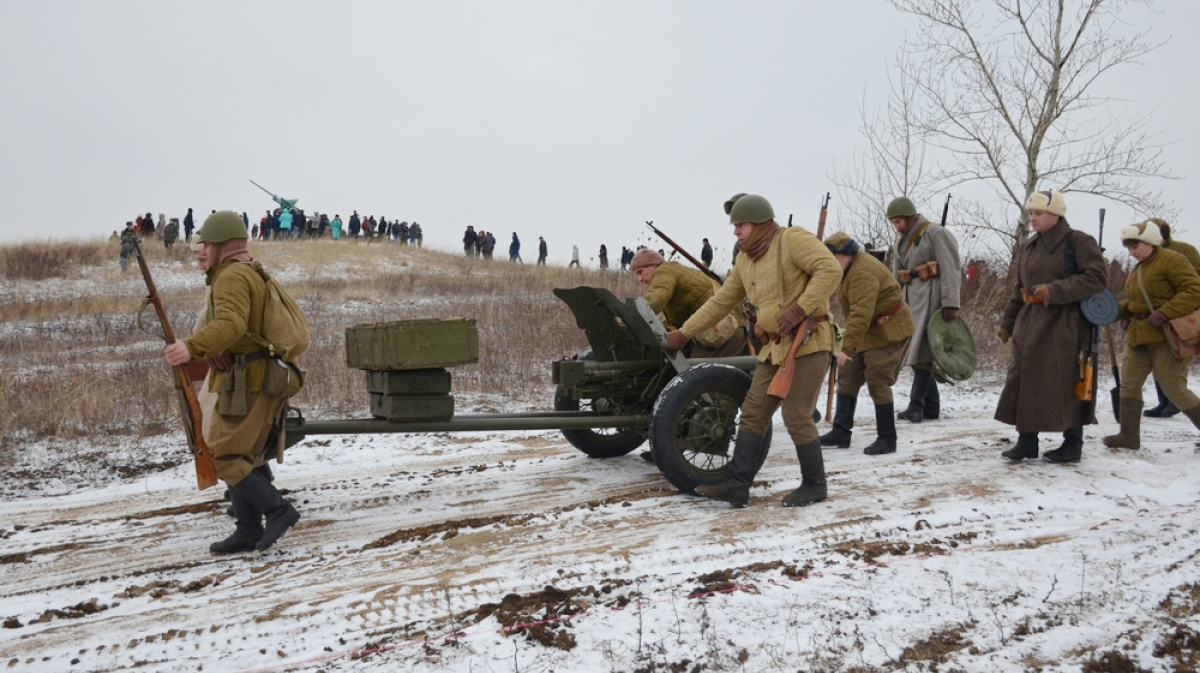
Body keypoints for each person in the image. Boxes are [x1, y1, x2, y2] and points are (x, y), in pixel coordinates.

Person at [665, 194, 840, 508]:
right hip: (774, 349)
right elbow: (720, 302)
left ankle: (815, 485)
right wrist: (683, 333)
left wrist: (800, 309)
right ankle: (737, 485)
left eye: (741, 225)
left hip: (810, 341)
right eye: (734, 226)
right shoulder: (744, 261)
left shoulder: (792, 240)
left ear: (760, 223)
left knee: (797, 414)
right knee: (753, 413)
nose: (735, 231)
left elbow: (830, 270)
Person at [162, 211, 301, 554]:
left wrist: (190, 348)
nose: (199, 251)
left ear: (223, 245)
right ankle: (248, 529)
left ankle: (279, 511)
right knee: (243, 455)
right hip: (247, 375)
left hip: (250, 378)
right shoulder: (243, 271)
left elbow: (231, 323)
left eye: (205, 245)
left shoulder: (232, 277)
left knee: (222, 455)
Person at [993, 190, 1108, 463]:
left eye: (1038, 213)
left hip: (1065, 323)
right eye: (1030, 213)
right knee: (1023, 379)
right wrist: (1008, 322)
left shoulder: (1078, 241)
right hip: (1029, 322)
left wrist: (1054, 291)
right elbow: (1018, 289)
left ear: (1055, 214)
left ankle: (1072, 444)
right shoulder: (1029, 247)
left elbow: (1096, 278)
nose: (1032, 218)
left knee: (1067, 380)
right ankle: (1027, 441)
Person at [1103, 220, 1200, 449]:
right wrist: (1113, 311)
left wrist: (1166, 312)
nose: (1132, 252)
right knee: (1129, 384)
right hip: (1139, 336)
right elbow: (1137, 303)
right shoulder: (1138, 269)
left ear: (1150, 242)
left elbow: (1194, 290)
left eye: (1135, 246)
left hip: (1166, 336)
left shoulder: (1172, 260)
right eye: (1128, 248)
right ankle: (1128, 436)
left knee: (1174, 387)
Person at [819, 232, 915, 455]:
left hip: (890, 330)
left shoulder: (862, 273)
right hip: (869, 329)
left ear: (846, 255)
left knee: (877, 380)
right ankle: (841, 432)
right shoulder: (847, 269)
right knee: (848, 376)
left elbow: (860, 315)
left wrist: (844, 349)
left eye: (831, 256)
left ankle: (887, 439)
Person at [888, 196, 962, 423]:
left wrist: (951, 303)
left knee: (922, 351)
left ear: (911, 218)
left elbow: (951, 269)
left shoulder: (936, 234)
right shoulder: (900, 241)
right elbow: (896, 273)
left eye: (899, 221)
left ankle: (916, 405)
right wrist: (891, 302)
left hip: (932, 297)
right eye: (894, 223)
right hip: (910, 299)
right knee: (916, 350)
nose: (897, 226)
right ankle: (931, 406)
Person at [631, 248, 748, 358]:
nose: (640, 279)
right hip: (726, 331)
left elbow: (654, 301)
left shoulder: (664, 271)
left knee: (691, 374)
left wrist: (626, 317)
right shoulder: (674, 271)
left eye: (640, 272)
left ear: (654, 265)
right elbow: (674, 322)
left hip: (720, 334)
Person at [1142, 217, 1200, 418]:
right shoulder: (1147, 256)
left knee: (1176, 356)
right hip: (1155, 316)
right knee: (1159, 360)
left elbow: (1194, 283)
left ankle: (1176, 401)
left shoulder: (1185, 250)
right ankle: (1165, 401)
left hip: (1181, 316)